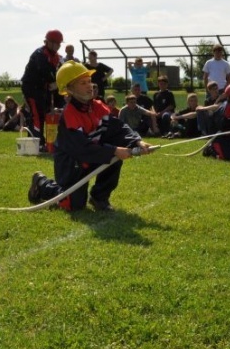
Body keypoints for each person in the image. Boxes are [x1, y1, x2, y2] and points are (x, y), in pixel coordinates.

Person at [27, 61, 152, 212]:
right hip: (72, 163)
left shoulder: (99, 106)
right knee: (73, 205)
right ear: (69, 89)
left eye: (90, 81)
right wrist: (113, 150)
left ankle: (99, 198)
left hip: (93, 155)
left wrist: (137, 141)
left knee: (113, 159)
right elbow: (81, 148)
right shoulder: (69, 115)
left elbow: (118, 128)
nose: (90, 86)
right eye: (83, 83)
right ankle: (42, 184)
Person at [21, 29, 64, 148]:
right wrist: (55, 82)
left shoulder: (55, 56)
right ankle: (38, 143)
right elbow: (46, 72)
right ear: (48, 42)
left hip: (43, 89)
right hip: (32, 88)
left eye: (59, 44)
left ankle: (37, 141)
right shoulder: (40, 54)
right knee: (36, 115)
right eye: (56, 43)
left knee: (42, 114)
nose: (58, 46)